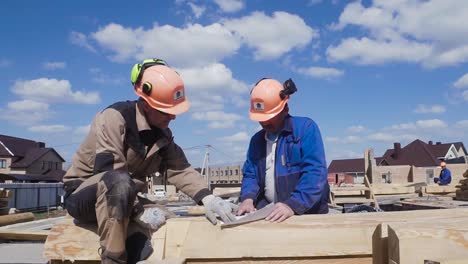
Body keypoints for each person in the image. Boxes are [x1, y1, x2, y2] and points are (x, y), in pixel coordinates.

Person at [63, 58, 237, 264]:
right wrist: (137, 211)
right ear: (146, 104)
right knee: (117, 182)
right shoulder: (113, 118)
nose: (173, 117)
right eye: (166, 111)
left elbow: (180, 169)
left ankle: (135, 243)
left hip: (125, 197)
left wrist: (209, 199)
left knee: (168, 219)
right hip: (85, 196)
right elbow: (109, 173)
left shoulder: (161, 134)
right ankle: (113, 259)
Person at [238, 78, 330, 223]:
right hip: (270, 214)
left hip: (306, 213)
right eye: (261, 118)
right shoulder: (256, 141)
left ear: (285, 109)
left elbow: (315, 172)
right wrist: (247, 198)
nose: (264, 122)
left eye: (270, 117)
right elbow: (251, 174)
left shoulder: (305, 129)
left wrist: (293, 205)